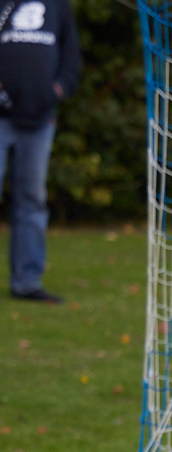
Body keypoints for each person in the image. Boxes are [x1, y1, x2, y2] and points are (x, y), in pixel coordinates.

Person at [0, 0, 79, 303]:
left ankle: (27, 281)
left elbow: (71, 59)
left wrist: (54, 92)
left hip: (40, 121)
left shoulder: (58, 6)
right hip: (2, 118)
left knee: (32, 200)